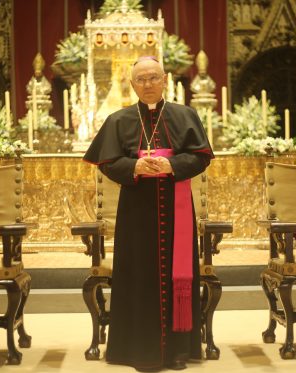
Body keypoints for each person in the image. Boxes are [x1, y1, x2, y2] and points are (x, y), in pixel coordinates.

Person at [84, 56, 213, 371]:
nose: (148, 84)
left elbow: (201, 157)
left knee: (176, 276)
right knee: (138, 277)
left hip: (176, 210)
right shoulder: (119, 119)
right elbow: (107, 163)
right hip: (136, 214)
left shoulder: (185, 115)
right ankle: (135, 348)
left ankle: (177, 350)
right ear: (132, 84)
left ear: (166, 79)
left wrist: (172, 165)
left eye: (154, 77)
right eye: (141, 79)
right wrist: (134, 166)